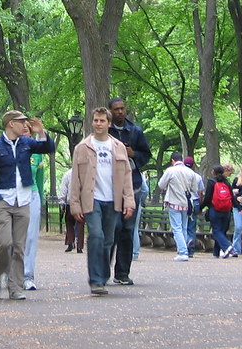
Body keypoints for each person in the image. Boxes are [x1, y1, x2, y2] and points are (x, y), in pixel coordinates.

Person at [0, 109, 54, 301]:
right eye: (21, 121)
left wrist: (41, 133)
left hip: (24, 200)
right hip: (4, 200)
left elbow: (48, 148)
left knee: (19, 247)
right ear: (10, 124)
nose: (25, 125)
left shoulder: (26, 143)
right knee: (5, 243)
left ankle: (15, 286)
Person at [69, 107, 135, 296]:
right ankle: (96, 280)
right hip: (92, 200)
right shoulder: (82, 147)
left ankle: (103, 275)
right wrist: (75, 204)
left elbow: (127, 177)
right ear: (92, 122)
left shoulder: (118, 147)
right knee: (96, 236)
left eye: (102, 121)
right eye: (96, 120)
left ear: (109, 123)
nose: (98, 124)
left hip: (112, 200)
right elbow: (76, 179)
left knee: (108, 240)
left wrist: (128, 202)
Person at [106, 97, 151, 286]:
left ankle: (122, 273)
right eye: (116, 109)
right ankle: (102, 272)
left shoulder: (135, 131)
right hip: (109, 187)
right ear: (110, 111)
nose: (120, 112)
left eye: (122, 108)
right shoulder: (104, 132)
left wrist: (134, 154)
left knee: (127, 229)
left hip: (132, 186)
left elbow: (146, 155)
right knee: (110, 230)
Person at [157, 151, 200, 261]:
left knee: (176, 228)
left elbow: (161, 184)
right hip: (186, 203)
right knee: (184, 228)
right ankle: (184, 249)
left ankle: (182, 252)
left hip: (173, 201)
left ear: (172, 160)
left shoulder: (170, 171)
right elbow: (194, 189)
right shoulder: (190, 172)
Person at [21, 120, 46, 290]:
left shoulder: (37, 154)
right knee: (13, 237)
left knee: (30, 237)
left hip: (33, 194)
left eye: (27, 129)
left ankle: (28, 275)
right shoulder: (8, 149)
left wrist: (40, 203)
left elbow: (40, 179)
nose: (24, 130)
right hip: (14, 195)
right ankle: (11, 271)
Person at [201, 165, 235, 258]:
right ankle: (216, 253)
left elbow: (207, 198)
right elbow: (232, 196)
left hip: (215, 209)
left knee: (216, 231)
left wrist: (201, 207)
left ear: (214, 172)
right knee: (222, 231)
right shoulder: (226, 182)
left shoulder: (212, 182)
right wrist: (238, 207)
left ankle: (228, 247)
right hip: (227, 210)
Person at [58, 167, 83, 254]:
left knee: (69, 223)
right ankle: (79, 246)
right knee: (80, 223)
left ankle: (70, 242)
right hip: (81, 202)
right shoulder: (85, 172)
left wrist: (62, 202)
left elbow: (63, 189)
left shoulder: (68, 174)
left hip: (70, 202)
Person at [184, 156, 204, 256]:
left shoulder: (181, 175)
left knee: (183, 225)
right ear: (193, 165)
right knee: (192, 227)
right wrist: (200, 207)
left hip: (184, 201)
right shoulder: (198, 177)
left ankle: (184, 247)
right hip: (195, 202)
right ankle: (191, 250)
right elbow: (201, 193)